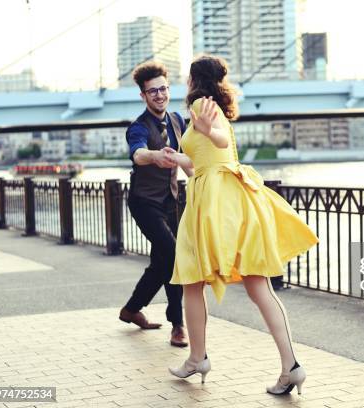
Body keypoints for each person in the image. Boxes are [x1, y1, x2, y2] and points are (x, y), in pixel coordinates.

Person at [166, 55, 318, 395]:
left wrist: (207, 131)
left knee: (192, 280)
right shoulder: (210, 106)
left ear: (194, 80)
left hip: (216, 203)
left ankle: (197, 358)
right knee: (256, 285)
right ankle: (290, 366)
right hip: (225, 197)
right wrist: (179, 159)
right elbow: (208, 157)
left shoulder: (203, 106)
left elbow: (219, 140)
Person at [119, 61, 194, 348]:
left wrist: (202, 183)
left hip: (174, 201)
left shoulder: (177, 120)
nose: (159, 95)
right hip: (144, 202)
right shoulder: (138, 127)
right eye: (153, 91)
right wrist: (155, 156)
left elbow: (187, 158)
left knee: (161, 261)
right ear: (143, 96)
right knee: (174, 254)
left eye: (163, 89)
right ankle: (178, 324)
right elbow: (137, 154)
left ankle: (131, 310)